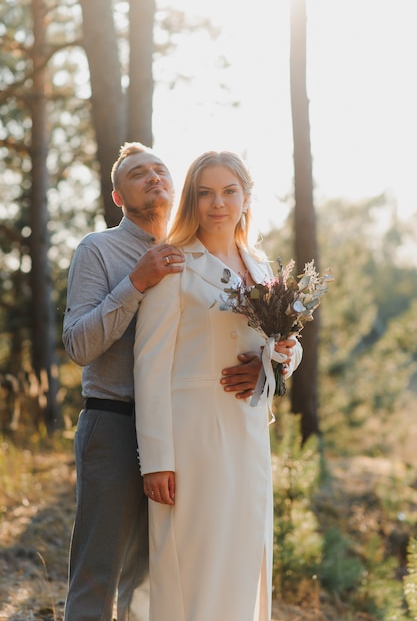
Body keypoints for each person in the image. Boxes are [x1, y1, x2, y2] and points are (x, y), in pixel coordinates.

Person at [62, 142, 264, 621]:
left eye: (160, 170)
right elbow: (78, 346)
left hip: (187, 434)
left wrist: (269, 366)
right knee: (99, 571)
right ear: (118, 195)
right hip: (115, 424)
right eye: (137, 173)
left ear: (178, 189)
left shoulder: (204, 256)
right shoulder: (100, 250)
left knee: (157, 578)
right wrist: (133, 283)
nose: (152, 177)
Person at [133, 150, 303, 621]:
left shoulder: (261, 265)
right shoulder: (175, 263)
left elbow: (286, 343)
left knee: (246, 552)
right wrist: (157, 460)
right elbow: (149, 365)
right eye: (205, 192)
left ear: (246, 196)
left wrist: (276, 365)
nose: (217, 203)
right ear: (191, 199)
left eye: (229, 191)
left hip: (248, 432)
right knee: (198, 559)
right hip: (194, 440)